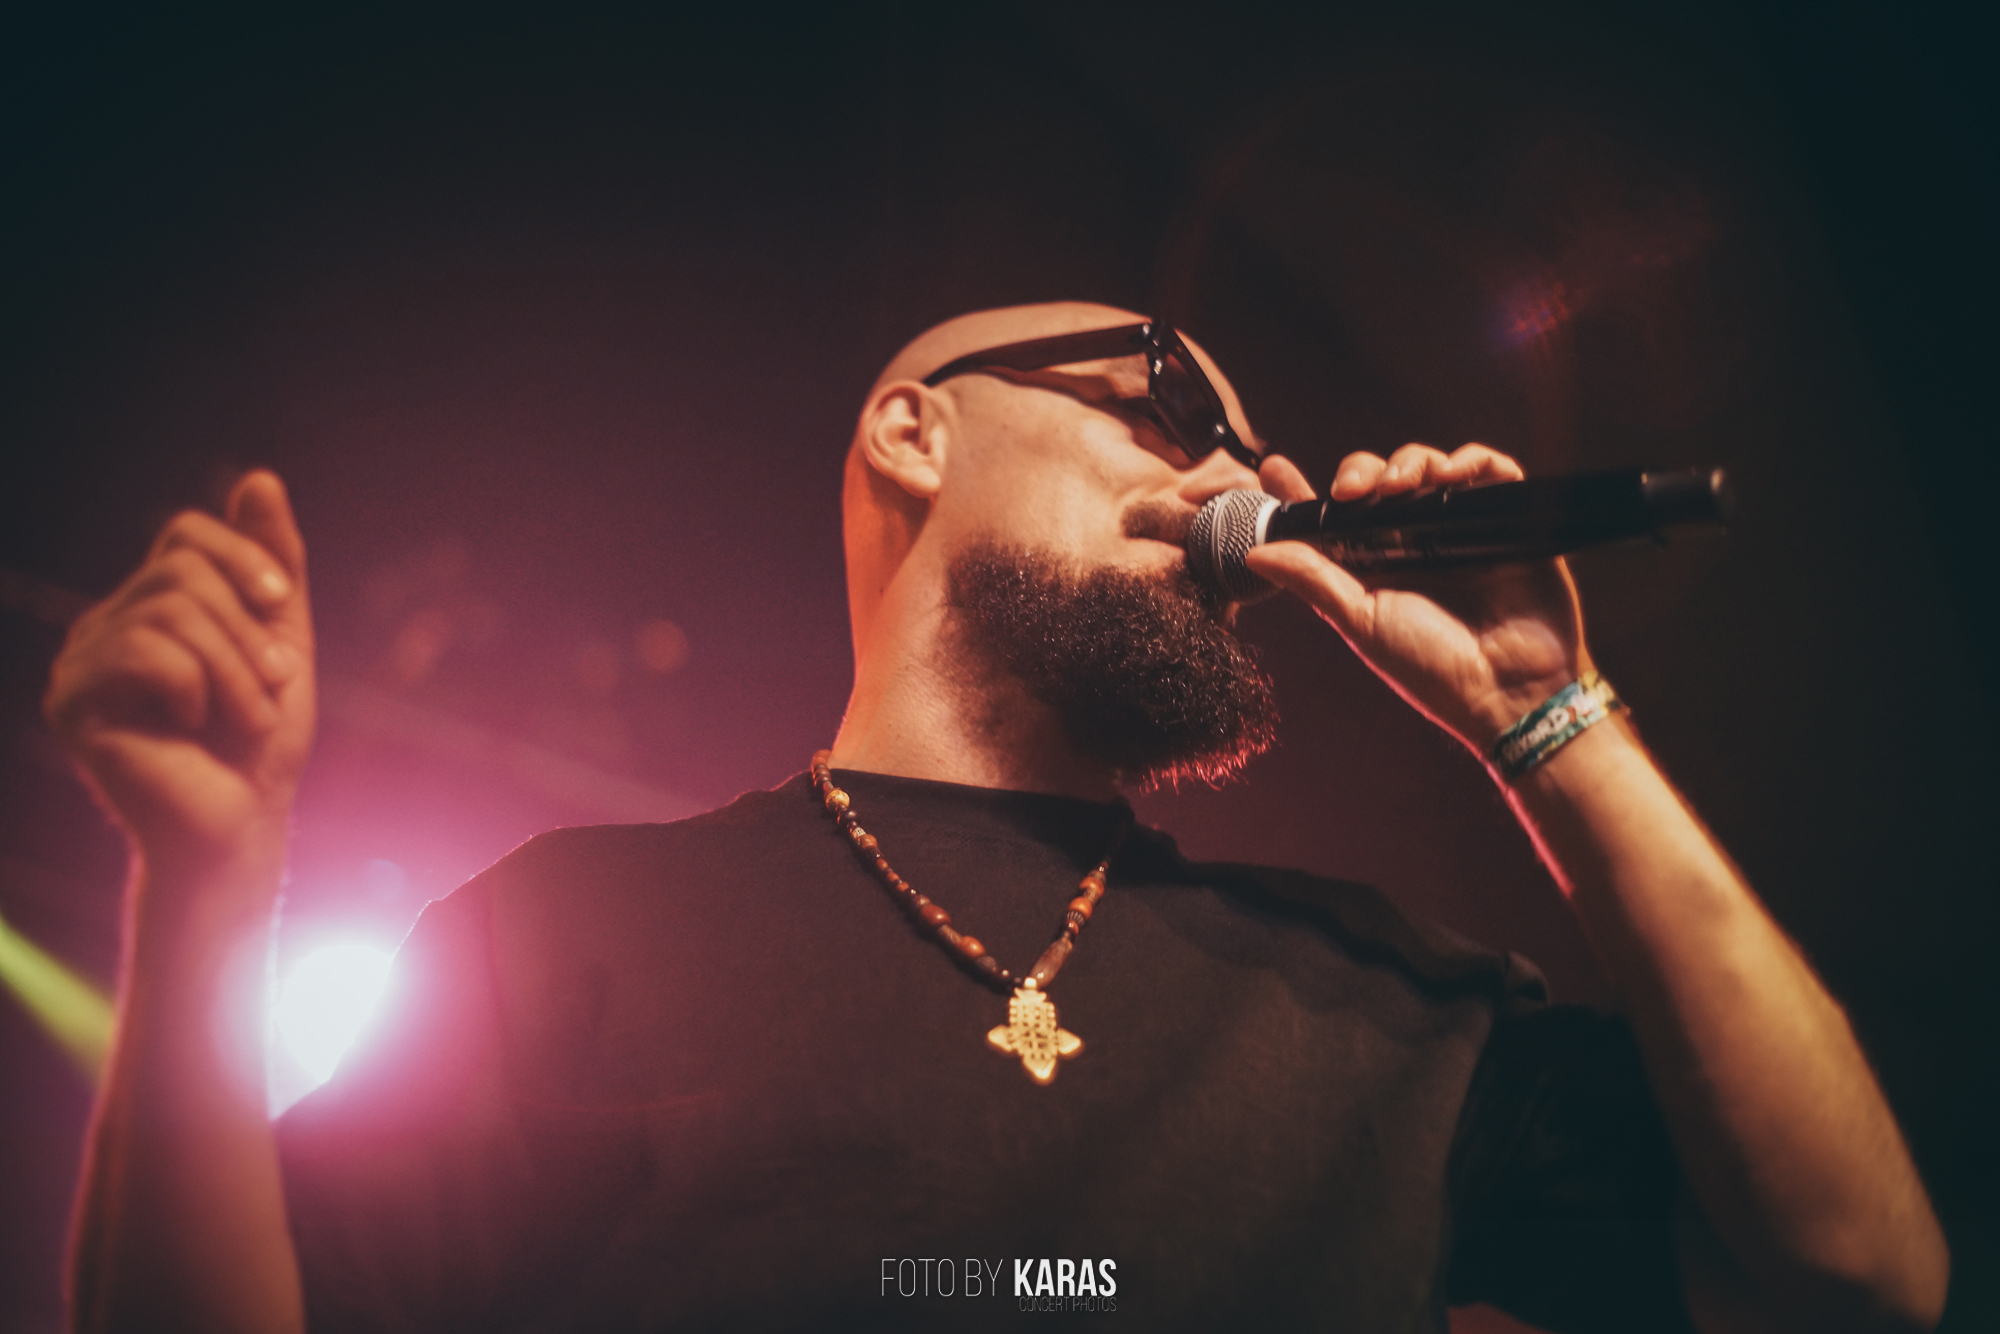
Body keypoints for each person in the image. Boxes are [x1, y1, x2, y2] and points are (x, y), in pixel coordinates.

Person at [46, 301, 1946, 1332]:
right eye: (1170, 396)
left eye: (1242, 438)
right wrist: (207, 887)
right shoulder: (560, 931)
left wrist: (1548, 721)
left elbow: (1868, 1276)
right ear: (915, 428)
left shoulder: (1394, 1005)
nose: (1239, 472)